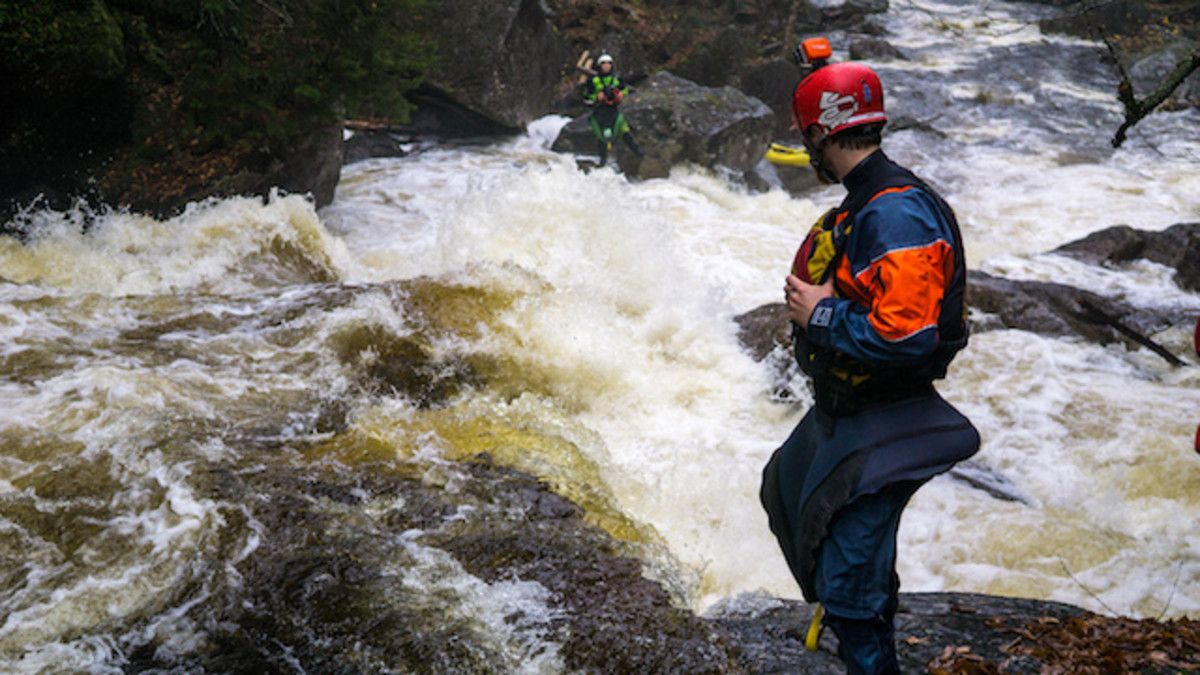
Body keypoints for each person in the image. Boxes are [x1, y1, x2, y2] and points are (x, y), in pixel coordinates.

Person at [759, 38, 981, 675]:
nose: (808, 151)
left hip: (891, 415)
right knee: (786, 496)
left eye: (810, 139)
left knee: (848, 582)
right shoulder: (869, 204)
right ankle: (863, 631)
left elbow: (905, 335)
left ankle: (867, 650)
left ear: (824, 134)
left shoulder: (897, 212)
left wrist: (820, 314)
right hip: (852, 409)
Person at [582, 54, 643, 167]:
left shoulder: (616, 79)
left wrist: (621, 94)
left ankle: (639, 155)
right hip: (599, 112)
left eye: (608, 64)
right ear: (599, 66)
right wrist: (596, 97)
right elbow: (586, 96)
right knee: (602, 138)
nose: (606, 66)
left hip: (613, 111)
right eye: (604, 64)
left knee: (625, 132)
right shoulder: (593, 81)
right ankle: (603, 162)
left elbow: (624, 89)